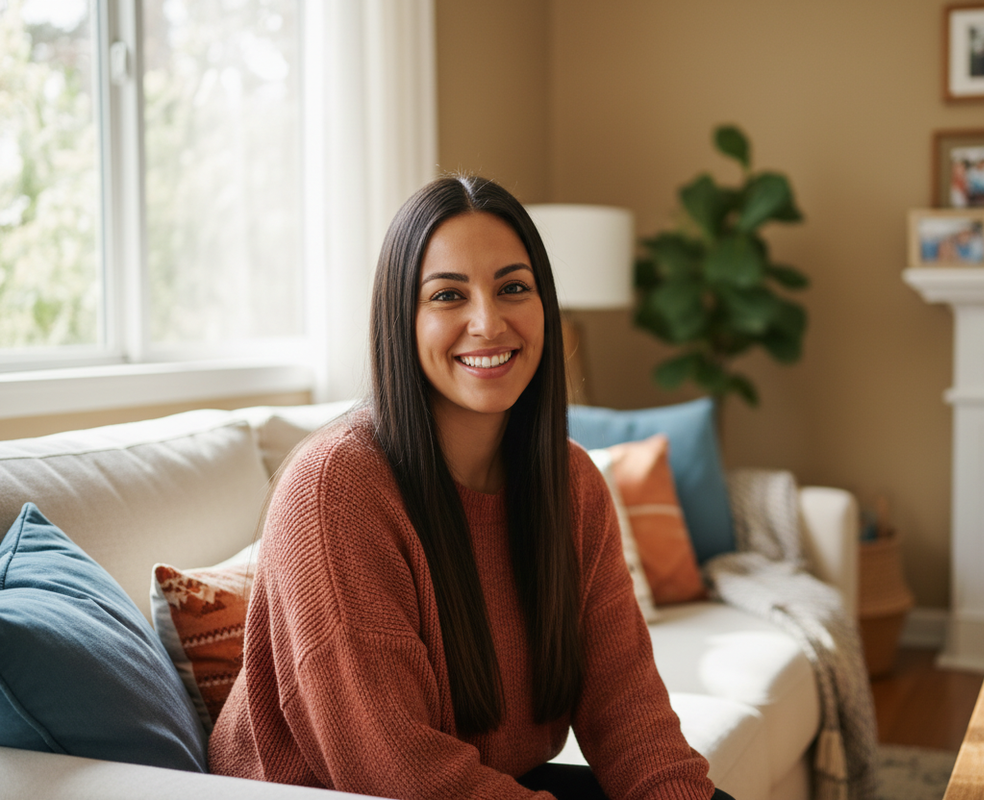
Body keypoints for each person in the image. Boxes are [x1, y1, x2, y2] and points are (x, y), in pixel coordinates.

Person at [208, 175, 732, 800]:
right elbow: (398, 767)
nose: (488, 323)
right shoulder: (334, 490)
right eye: (448, 296)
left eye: (513, 288)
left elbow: (628, 712)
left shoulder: (571, 484)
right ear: (402, 319)